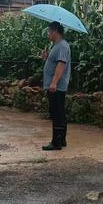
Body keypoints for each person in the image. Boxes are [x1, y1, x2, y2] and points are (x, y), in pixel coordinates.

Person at [42, 21, 71, 151]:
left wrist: (54, 82)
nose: (48, 34)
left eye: (49, 31)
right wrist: (47, 57)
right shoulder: (57, 46)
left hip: (57, 87)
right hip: (55, 86)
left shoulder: (62, 46)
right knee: (59, 112)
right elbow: (55, 62)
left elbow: (61, 64)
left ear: (55, 31)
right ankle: (62, 140)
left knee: (57, 113)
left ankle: (56, 142)